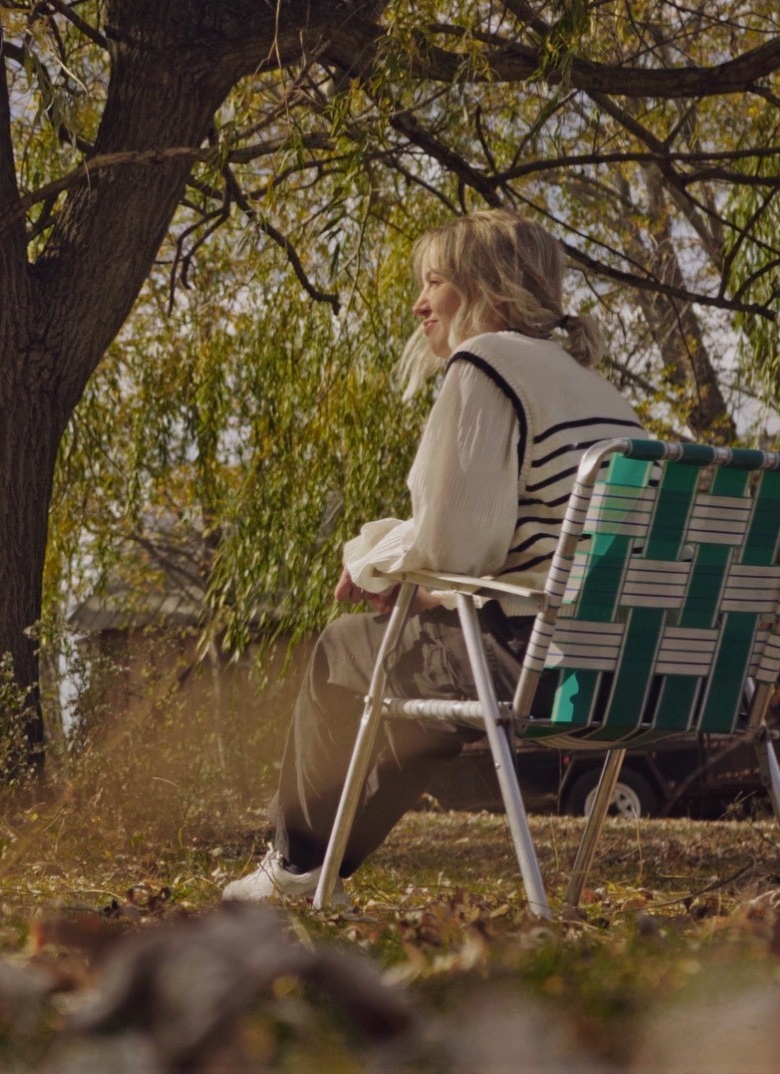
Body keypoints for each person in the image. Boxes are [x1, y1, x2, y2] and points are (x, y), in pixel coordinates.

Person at [223, 209, 645, 904]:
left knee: (342, 649)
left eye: (435, 282)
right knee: (414, 670)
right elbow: (535, 550)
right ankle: (310, 869)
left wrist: (372, 561)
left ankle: (295, 865)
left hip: (542, 666)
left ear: (491, 289)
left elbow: (453, 545)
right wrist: (428, 594)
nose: (419, 303)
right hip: (638, 671)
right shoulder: (602, 393)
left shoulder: (486, 363)